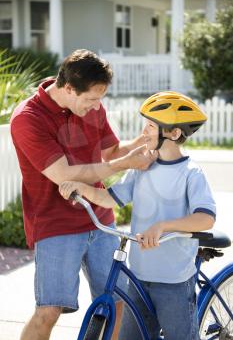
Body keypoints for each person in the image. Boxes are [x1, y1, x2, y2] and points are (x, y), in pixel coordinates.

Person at [10, 49, 157, 340]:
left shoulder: (92, 107)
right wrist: (124, 164)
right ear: (68, 88)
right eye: (91, 99)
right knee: (49, 309)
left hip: (99, 220)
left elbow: (111, 153)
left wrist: (141, 142)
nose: (97, 106)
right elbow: (65, 175)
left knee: (117, 303)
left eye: (100, 99)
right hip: (55, 225)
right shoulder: (29, 119)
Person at [59, 91, 216, 340]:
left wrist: (162, 226)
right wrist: (81, 188)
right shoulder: (142, 169)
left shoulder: (191, 173)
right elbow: (109, 198)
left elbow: (205, 218)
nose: (144, 132)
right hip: (139, 277)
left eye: (151, 126)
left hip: (173, 280)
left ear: (174, 133)